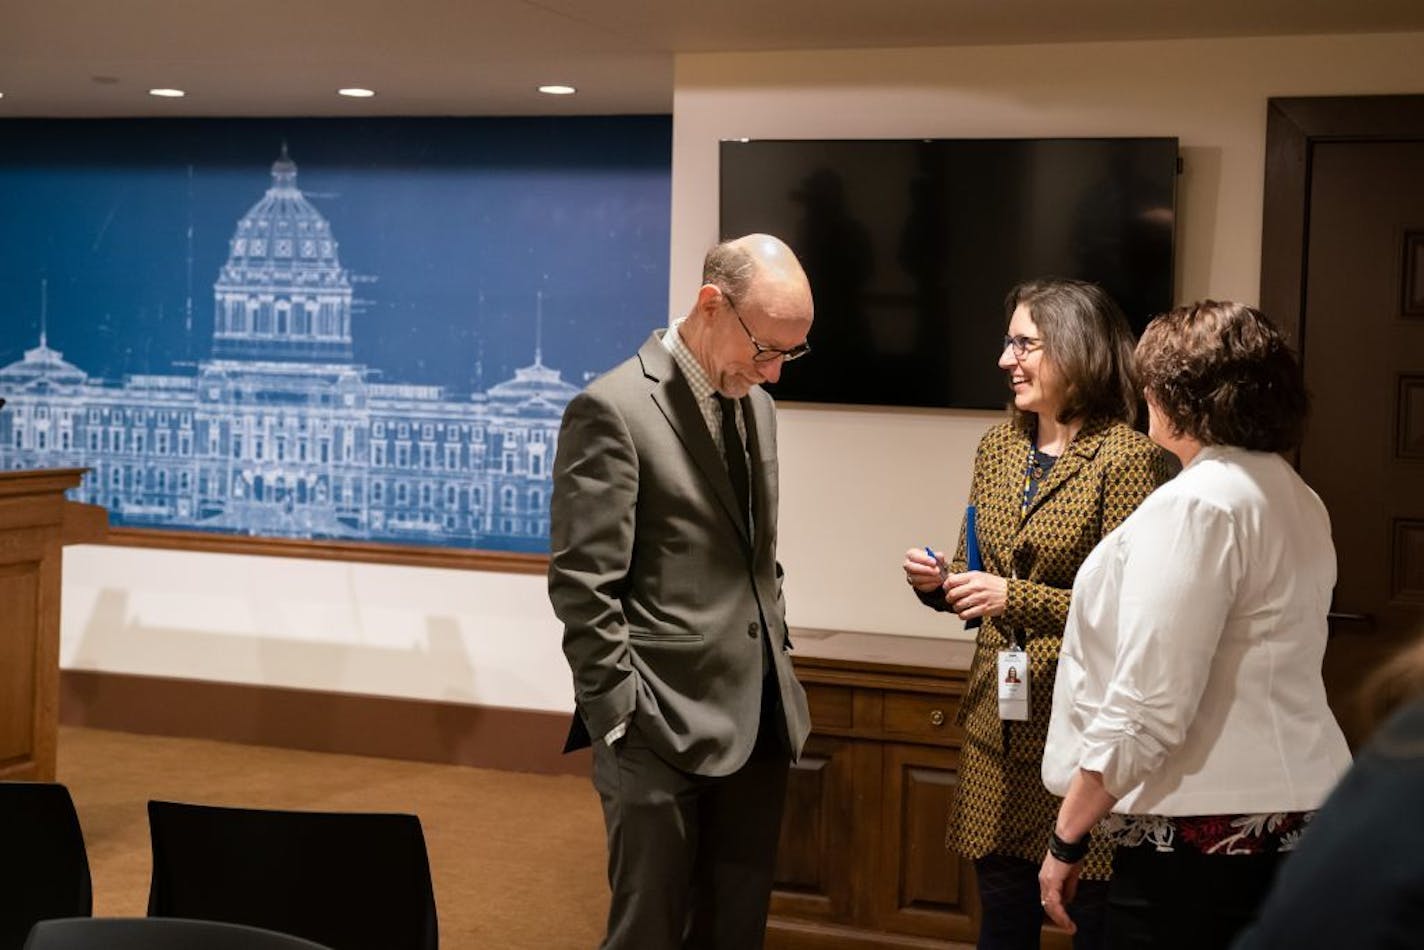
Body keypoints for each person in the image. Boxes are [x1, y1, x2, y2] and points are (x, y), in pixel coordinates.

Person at [1039, 300, 1354, 949]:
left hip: (1199, 840)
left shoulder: (1195, 507)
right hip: (1303, 818)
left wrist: (1066, 836)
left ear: (1175, 394)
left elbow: (1149, 704)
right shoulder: (1297, 496)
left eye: (1151, 381)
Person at [549, 233, 814, 950]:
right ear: (709, 305)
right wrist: (618, 717)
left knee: (735, 931)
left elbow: (756, 558)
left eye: (792, 353)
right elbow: (582, 585)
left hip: (758, 720)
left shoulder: (757, 406)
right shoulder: (612, 409)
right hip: (655, 727)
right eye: (766, 349)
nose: (775, 373)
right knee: (651, 933)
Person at [903, 278, 1172, 950]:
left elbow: (1129, 609)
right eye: (1007, 342)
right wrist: (939, 582)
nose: (1005, 359)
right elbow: (978, 571)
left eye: (1024, 343)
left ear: (1076, 351)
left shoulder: (1129, 459)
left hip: (1079, 739)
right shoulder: (997, 446)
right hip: (998, 732)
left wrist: (1010, 596)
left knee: (1093, 923)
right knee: (1002, 923)